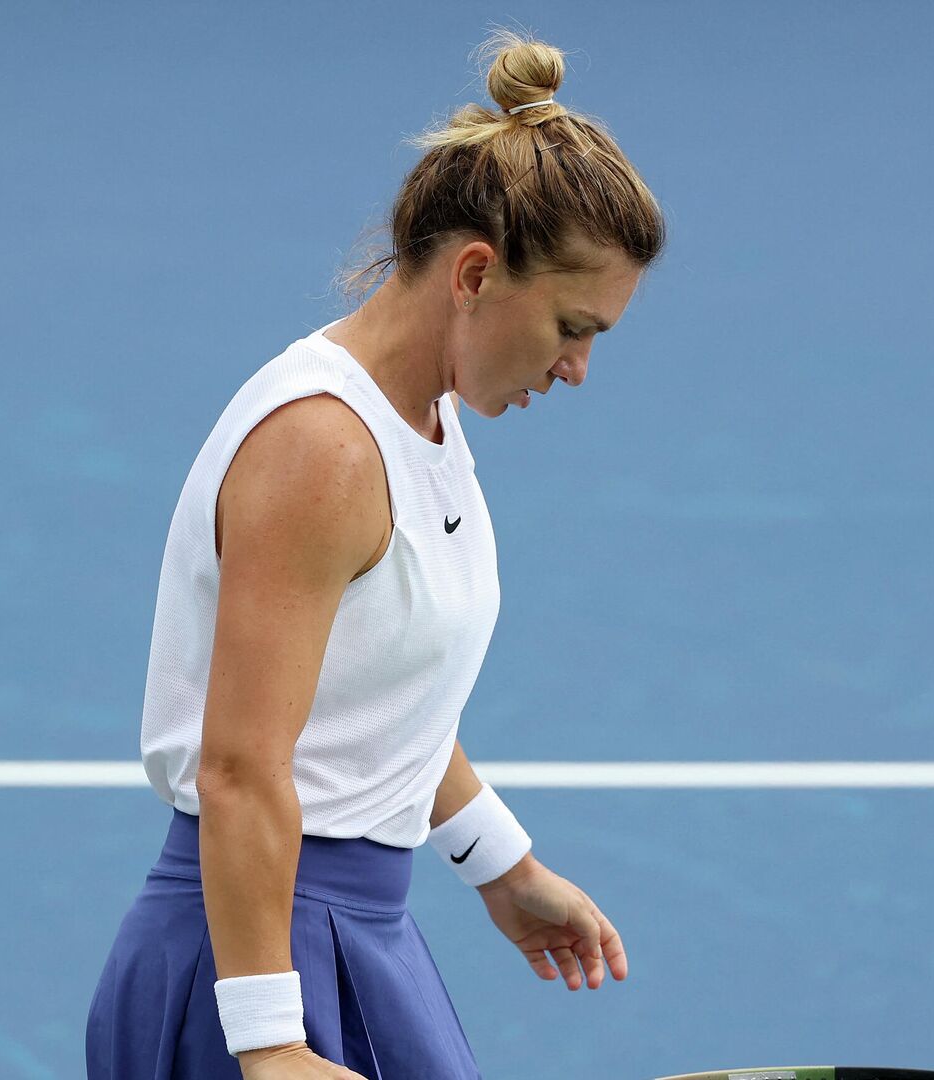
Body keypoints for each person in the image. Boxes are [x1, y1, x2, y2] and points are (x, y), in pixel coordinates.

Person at [84, 27, 666, 1080]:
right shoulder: (323, 450)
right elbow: (240, 765)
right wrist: (268, 1045)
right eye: (574, 327)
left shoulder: (426, 427)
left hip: (353, 935)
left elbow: (369, 698)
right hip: (266, 956)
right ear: (477, 274)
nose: (578, 369)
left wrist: (500, 861)